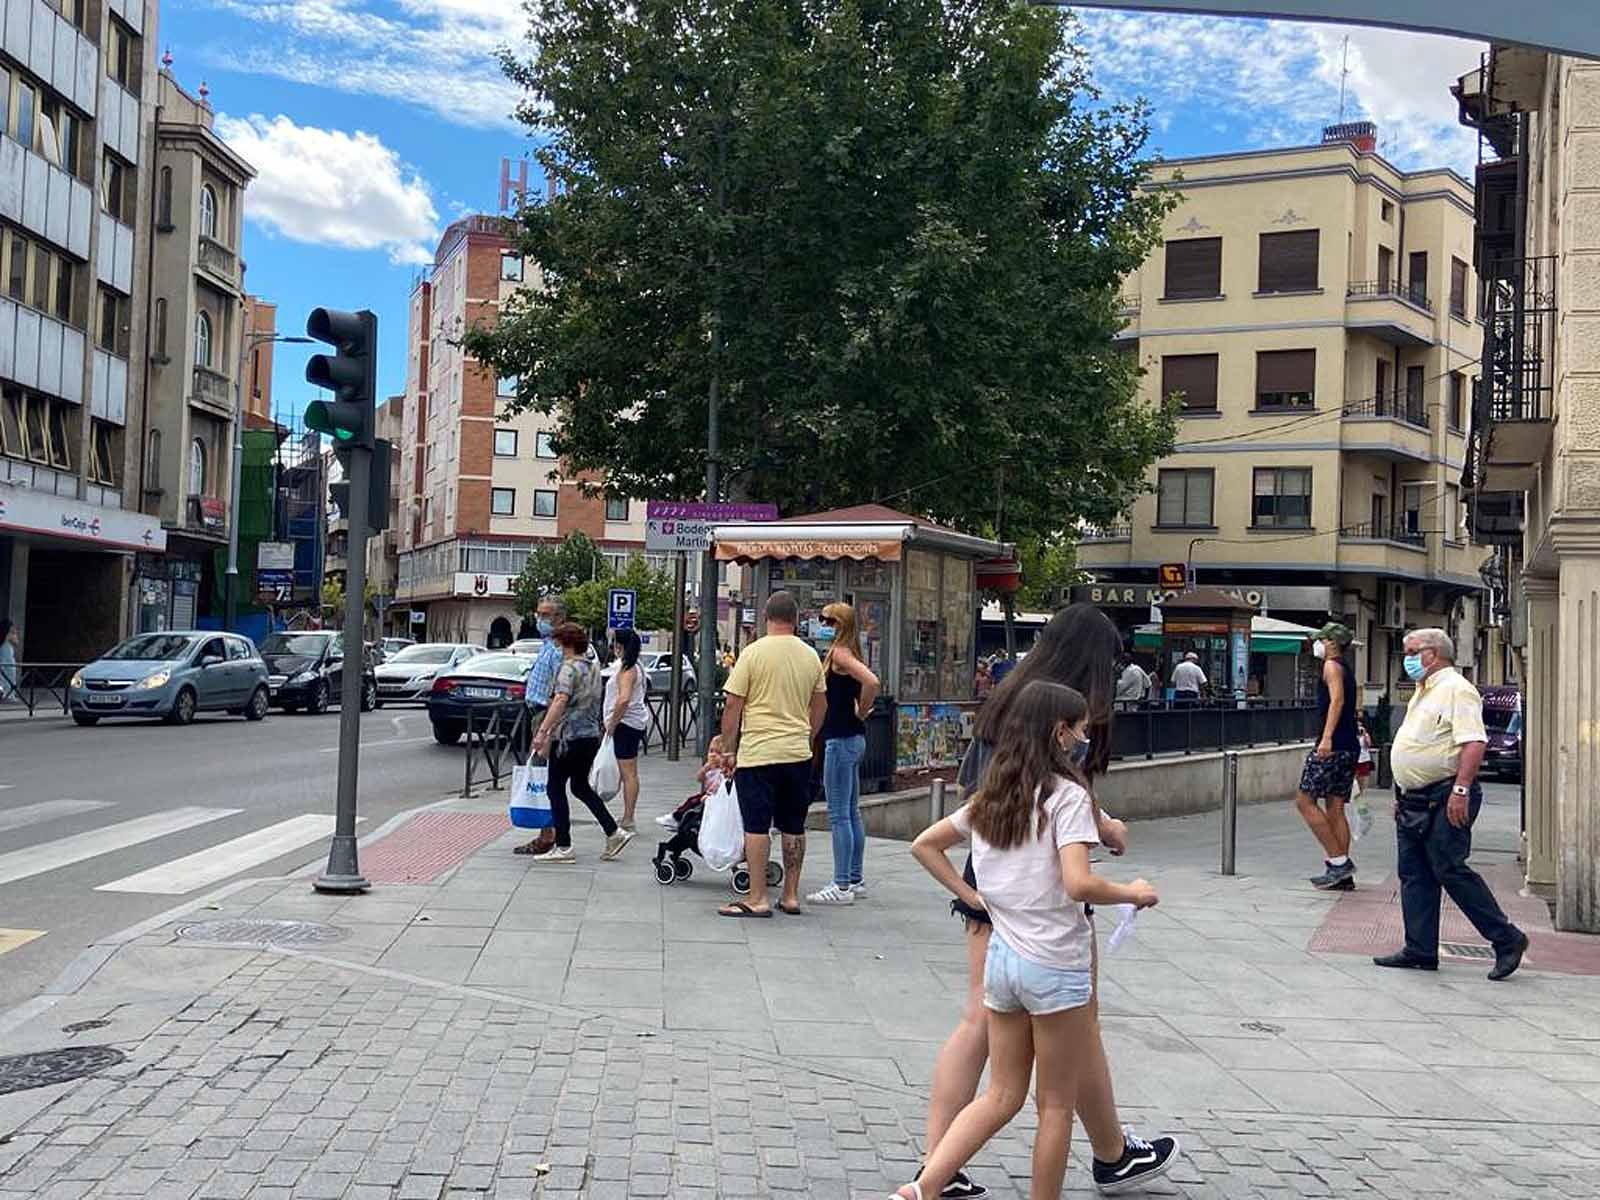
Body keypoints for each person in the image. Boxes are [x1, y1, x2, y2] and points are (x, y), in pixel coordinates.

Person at [927, 603, 1178, 1200]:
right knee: (1074, 1021)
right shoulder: (1062, 711)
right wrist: (1105, 826)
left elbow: (981, 789)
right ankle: (1111, 1153)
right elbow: (1063, 792)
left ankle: (937, 1162)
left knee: (978, 1022)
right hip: (1041, 887)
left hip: (988, 869)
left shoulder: (1011, 692)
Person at [1374, 628, 1529, 981]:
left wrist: (1460, 789)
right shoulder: (1423, 691)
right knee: (1414, 874)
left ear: (1433, 654)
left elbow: (1474, 742)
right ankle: (1420, 949)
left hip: (1445, 795)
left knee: (1450, 869)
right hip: (1415, 798)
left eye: (1411, 651)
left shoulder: (1457, 689)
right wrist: (1401, 792)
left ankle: (1506, 939)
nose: (1406, 659)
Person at [717, 590, 826, 918]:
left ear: (766, 616)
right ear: (795, 619)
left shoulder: (752, 653)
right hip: (797, 753)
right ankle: (791, 895)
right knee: (794, 824)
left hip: (759, 753)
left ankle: (757, 897)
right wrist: (807, 735)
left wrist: (727, 748)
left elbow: (734, 704)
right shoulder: (811, 656)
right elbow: (821, 705)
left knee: (757, 826)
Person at [528, 623, 633, 864]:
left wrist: (543, 731)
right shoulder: (593, 667)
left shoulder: (568, 669)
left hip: (567, 738)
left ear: (565, 643)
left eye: (558, 642)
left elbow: (560, 700)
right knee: (579, 786)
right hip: (589, 736)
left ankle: (563, 846)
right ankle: (613, 832)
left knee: (555, 788)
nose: (557, 646)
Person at [807, 602, 881, 906]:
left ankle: (841, 885)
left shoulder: (839, 653)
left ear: (839, 624)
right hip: (853, 738)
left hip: (839, 739)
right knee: (851, 812)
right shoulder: (850, 650)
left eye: (827, 620)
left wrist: (862, 710)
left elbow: (872, 682)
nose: (821, 624)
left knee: (839, 814)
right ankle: (854, 878)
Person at [1296, 622, 1362, 891]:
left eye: (1320, 640)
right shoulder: (1346, 669)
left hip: (1332, 745)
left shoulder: (1331, 667)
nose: (1316, 645)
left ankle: (1339, 863)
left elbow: (1337, 701)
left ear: (1332, 643)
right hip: (1347, 744)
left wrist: (1326, 738)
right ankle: (1340, 873)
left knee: (1304, 801)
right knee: (1335, 807)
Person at [515, 596, 568, 855]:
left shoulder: (558, 648)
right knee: (545, 777)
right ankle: (550, 832)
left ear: (559, 618)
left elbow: (561, 690)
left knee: (543, 776)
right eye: (538, 614)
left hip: (545, 716)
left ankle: (549, 835)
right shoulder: (547, 644)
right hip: (537, 712)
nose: (540, 619)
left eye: (545, 615)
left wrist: (547, 728)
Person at [603, 628, 650, 832]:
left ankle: (628, 817)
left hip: (625, 724)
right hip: (633, 723)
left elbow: (623, 699)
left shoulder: (628, 670)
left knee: (628, 773)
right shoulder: (636, 667)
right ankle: (628, 815)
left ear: (620, 646)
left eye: (614, 643)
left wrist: (612, 724)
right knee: (629, 772)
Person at [0, 619, 18, 704]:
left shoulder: (6, 645)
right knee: (7, 677)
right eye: (13, 632)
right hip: (7, 666)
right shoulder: (5, 646)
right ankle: (7, 695)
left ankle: (8, 694)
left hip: (9, 667)